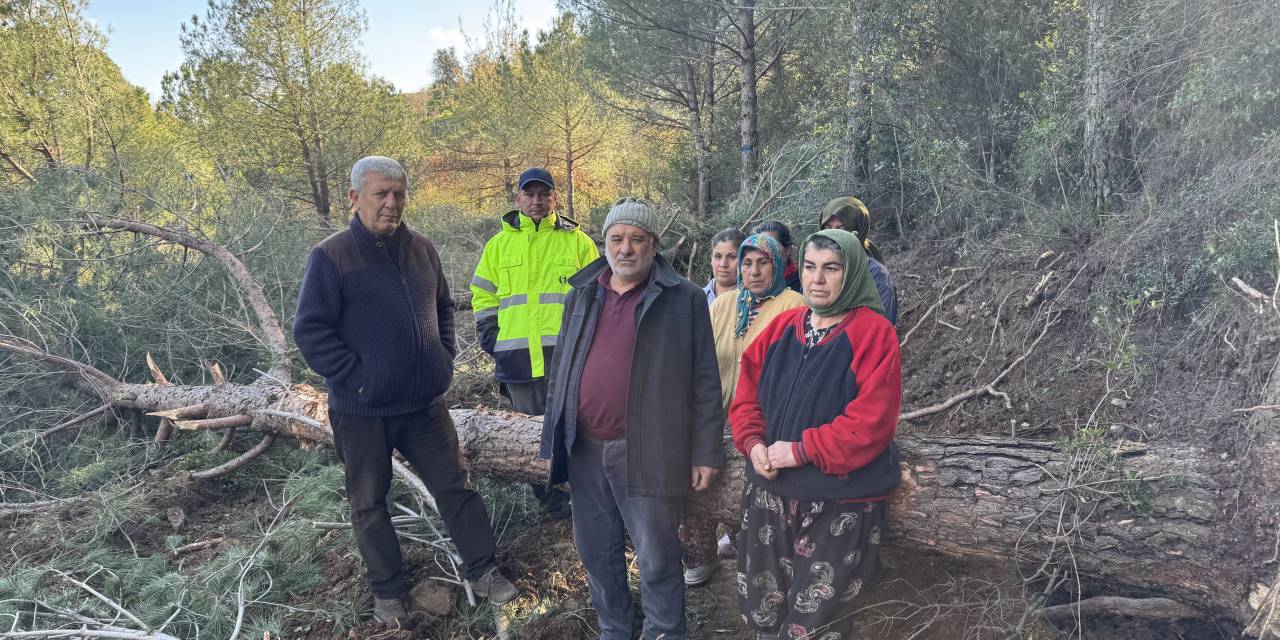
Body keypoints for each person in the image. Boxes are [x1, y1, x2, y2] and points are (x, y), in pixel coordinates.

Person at [294, 156, 517, 627]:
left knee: (456, 488)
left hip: (424, 405)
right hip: (361, 411)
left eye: (398, 193)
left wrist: (443, 361)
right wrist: (359, 379)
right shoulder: (331, 256)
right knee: (370, 504)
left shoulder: (422, 250)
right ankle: (388, 593)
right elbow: (311, 331)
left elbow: (442, 309)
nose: (391, 203)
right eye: (381, 194)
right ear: (355, 198)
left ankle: (484, 570)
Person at [540, 198, 724, 640]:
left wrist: (705, 450)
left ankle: (664, 632)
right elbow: (562, 366)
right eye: (616, 239)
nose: (626, 249)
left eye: (636, 239)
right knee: (596, 553)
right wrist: (553, 437)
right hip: (584, 446)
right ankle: (616, 630)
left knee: (657, 556)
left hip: (648, 448)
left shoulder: (683, 298)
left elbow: (704, 379)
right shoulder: (582, 294)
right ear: (604, 243)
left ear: (654, 245)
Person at [729, 228, 902, 640]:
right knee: (763, 614)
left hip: (839, 501)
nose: (816, 279)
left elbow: (872, 422)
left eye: (831, 268)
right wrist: (752, 444)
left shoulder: (874, 334)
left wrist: (803, 449)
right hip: (769, 494)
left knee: (815, 624)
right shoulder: (783, 327)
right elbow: (746, 396)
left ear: (853, 274)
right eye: (809, 267)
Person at [680, 233, 807, 587]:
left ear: (776, 265)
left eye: (762, 262)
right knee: (700, 486)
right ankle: (698, 556)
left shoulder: (794, 305)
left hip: (765, 422)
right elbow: (697, 359)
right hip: (716, 417)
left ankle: (749, 555)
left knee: (752, 492)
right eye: (746, 263)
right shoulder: (723, 305)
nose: (752, 271)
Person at [470, 167, 597, 519]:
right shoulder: (498, 245)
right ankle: (551, 505)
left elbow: (597, 297)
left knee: (576, 430)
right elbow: (482, 293)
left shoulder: (577, 242)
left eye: (544, 194)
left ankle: (583, 497)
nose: (537, 201)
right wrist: (490, 336)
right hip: (517, 362)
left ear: (554, 197)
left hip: (568, 360)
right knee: (530, 438)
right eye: (530, 194)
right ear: (518, 198)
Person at [819, 196, 899, 325]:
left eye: (841, 229)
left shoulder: (876, 275)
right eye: (828, 228)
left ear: (858, 231)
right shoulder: (815, 270)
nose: (833, 235)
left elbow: (881, 330)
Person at [752, 220, 802, 294]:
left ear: (788, 249)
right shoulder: (752, 283)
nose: (766, 253)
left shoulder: (802, 284)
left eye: (772, 247)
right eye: (760, 248)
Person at [703, 227, 747, 305]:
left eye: (732, 257)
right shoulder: (695, 297)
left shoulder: (751, 301)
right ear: (711, 259)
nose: (723, 264)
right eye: (717, 256)